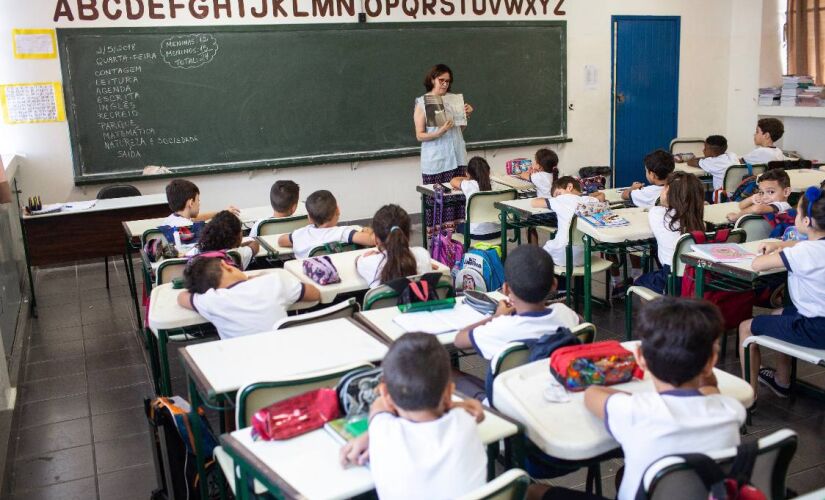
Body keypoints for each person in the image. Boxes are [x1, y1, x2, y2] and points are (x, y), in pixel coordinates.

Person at [531, 298, 744, 500]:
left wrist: (629, 397)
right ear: (711, 361)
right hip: (696, 492)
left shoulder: (634, 411)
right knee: (624, 474)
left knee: (534, 491)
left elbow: (591, 395)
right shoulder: (732, 410)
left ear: (640, 358)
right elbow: (710, 390)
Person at [339, 332, 487, 500]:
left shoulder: (382, 429)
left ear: (385, 393)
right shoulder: (464, 421)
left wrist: (370, 434)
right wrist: (455, 403)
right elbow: (474, 413)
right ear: (450, 392)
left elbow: (379, 405)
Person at [739, 186, 825, 397]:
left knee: (745, 327)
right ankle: (781, 381)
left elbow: (759, 264)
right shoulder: (809, 248)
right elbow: (808, 246)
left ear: (806, 222)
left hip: (815, 328)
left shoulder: (804, 252)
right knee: (779, 314)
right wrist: (786, 244)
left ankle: (748, 398)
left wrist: (776, 249)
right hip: (817, 321)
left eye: (798, 212)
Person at [453, 245, 580, 360]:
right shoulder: (566, 314)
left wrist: (496, 317)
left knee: (454, 373)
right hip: (555, 381)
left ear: (506, 289)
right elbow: (582, 323)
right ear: (554, 285)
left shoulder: (500, 327)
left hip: (508, 385)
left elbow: (459, 340)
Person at [177, 255, 320, 339]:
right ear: (226, 265)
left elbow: (181, 297)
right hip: (290, 364)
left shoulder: (210, 300)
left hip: (246, 381)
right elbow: (314, 294)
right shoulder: (273, 281)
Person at [414, 64, 474, 237]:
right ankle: (439, 245)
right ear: (432, 79)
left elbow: (457, 132)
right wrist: (440, 131)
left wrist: (466, 117)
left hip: (457, 158)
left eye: (448, 81)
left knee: (457, 201)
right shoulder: (422, 102)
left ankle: (457, 242)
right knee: (437, 203)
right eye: (441, 80)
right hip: (436, 161)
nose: (445, 84)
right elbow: (419, 135)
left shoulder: (453, 100)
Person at [634, 172, 705, 294]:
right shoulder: (698, 220)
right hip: (697, 275)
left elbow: (659, 207)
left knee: (639, 282)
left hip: (672, 277)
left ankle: (659, 312)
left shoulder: (657, 213)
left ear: (668, 192)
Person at [534, 176, 604, 287]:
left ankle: (558, 289)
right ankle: (579, 292)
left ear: (569, 187)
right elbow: (601, 196)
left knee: (538, 258)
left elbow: (535, 203)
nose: (557, 197)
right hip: (584, 256)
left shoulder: (561, 199)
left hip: (562, 253)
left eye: (558, 193)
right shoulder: (588, 201)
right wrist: (588, 195)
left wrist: (554, 198)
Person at [278, 190, 373, 259]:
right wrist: (366, 231)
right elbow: (372, 240)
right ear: (338, 210)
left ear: (310, 218)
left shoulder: (300, 234)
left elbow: (281, 241)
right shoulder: (343, 233)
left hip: (307, 280)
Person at [356, 204, 434, 288]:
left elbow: (357, 261)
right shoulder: (423, 254)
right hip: (421, 301)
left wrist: (367, 256)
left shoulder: (368, 261)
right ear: (408, 236)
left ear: (375, 239)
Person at [450, 156, 500, 240]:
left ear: (468, 173)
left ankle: (467, 252)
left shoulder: (469, 184)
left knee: (459, 226)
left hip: (477, 233)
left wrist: (468, 178)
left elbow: (453, 181)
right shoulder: (496, 185)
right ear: (488, 171)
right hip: (498, 231)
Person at [191, 210, 260, 270]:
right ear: (238, 237)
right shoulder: (235, 254)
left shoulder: (196, 251)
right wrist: (238, 245)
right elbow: (255, 244)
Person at [161, 178, 238, 227]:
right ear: (191, 203)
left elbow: (198, 218)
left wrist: (224, 212)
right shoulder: (189, 227)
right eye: (198, 200)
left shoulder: (170, 220)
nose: (199, 204)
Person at [725, 168, 792, 222]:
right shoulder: (767, 204)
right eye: (762, 192)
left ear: (786, 192)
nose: (765, 197)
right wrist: (751, 199)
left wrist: (736, 216)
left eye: (771, 192)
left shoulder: (782, 205)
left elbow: (757, 209)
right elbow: (741, 206)